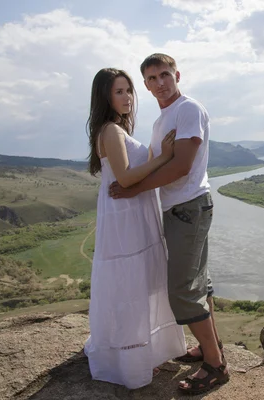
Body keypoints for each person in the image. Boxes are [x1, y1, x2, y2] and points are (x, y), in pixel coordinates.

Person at [108, 53, 229, 394]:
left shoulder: (187, 109)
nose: (159, 83)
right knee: (199, 285)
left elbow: (181, 167)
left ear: (177, 75)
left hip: (188, 208)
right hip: (184, 208)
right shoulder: (164, 119)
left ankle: (216, 366)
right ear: (145, 85)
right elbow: (165, 161)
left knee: (182, 292)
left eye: (164, 75)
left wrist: (134, 190)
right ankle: (211, 348)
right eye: (151, 78)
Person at [83, 67, 186, 390]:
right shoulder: (111, 131)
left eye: (129, 90)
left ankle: (143, 352)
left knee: (137, 284)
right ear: (105, 96)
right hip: (127, 216)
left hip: (131, 213)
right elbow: (126, 178)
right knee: (131, 286)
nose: (127, 97)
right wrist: (164, 156)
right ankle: (132, 361)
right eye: (118, 91)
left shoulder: (115, 129)